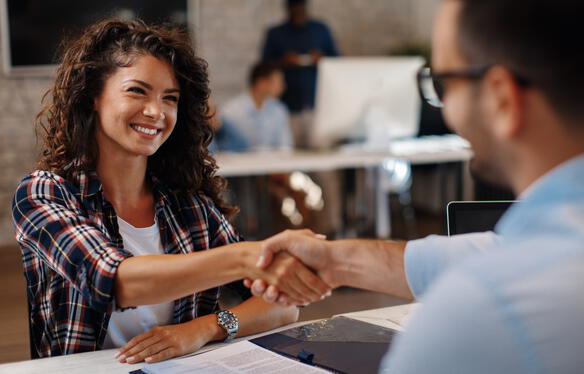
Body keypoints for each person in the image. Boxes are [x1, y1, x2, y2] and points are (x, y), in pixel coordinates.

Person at [247, 0, 584, 372]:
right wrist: (335, 260)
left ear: (502, 98)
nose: (445, 107)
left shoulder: (480, 313)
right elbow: (489, 251)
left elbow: (494, 272)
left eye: (443, 82)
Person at [11, 19, 330, 362]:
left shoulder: (190, 206)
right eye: (137, 91)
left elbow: (282, 306)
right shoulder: (43, 193)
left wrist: (205, 328)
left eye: (170, 98)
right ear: (93, 97)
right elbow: (115, 282)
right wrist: (247, 258)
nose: (156, 111)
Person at [261, 0, 339, 147]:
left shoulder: (321, 30)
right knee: (290, 156)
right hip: (287, 107)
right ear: (287, 9)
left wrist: (323, 59)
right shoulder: (276, 34)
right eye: (294, 9)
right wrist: (283, 62)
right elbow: (264, 67)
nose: (298, 13)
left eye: (301, 8)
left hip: (318, 105)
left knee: (322, 160)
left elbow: (337, 62)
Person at [214, 62, 292, 152]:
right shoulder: (230, 111)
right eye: (278, 82)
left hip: (273, 164)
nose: (282, 87)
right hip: (240, 163)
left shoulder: (279, 110)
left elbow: (285, 147)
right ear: (261, 82)